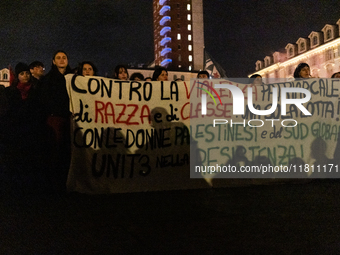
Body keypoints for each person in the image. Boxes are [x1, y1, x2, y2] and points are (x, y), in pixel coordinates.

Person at [0, 63, 48, 194]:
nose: (25, 76)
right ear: (18, 76)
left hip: (32, 129)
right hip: (15, 129)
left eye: (27, 73)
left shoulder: (36, 91)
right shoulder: (10, 92)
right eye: (22, 73)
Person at [41, 50, 73, 194]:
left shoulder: (74, 78)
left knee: (70, 151)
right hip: (55, 119)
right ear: (53, 61)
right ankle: (54, 184)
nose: (61, 60)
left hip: (71, 118)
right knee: (55, 150)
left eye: (64, 58)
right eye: (58, 58)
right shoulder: (47, 79)